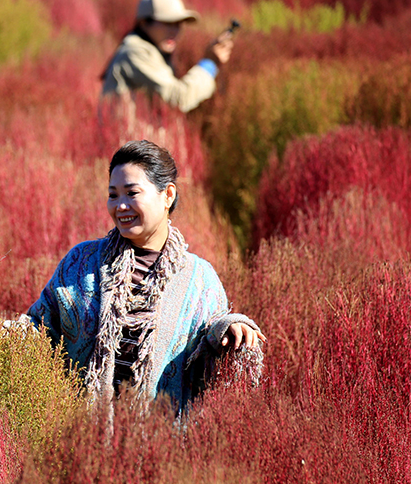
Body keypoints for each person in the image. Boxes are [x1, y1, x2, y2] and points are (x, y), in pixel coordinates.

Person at [25, 141, 264, 415]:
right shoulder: (81, 261)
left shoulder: (199, 279)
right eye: (113, 195)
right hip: (82, 438)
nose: (121, 206)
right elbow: (41, 327)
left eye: (132, 193)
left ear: (168, 195)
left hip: (160, 445)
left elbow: (208, 346)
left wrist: (229, 329)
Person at [100, 0, 234, 113]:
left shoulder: (152, 48)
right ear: (144, 23)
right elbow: (178, 99)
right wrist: (209, 64)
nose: (174, 31)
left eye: (178, 24)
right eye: (168, 23)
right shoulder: (135, 52)